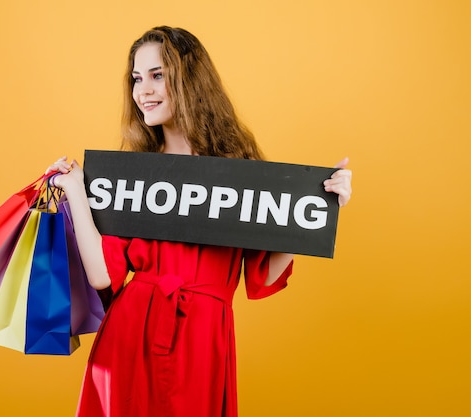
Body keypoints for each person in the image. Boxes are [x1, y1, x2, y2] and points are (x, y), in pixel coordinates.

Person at [47, 26, 352, 417]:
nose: (143, 90)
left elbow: (263, 276)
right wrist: (75, 189)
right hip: (131, 335)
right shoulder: (131, 172)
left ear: (189, 79)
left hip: (203, 341)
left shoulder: (243, 172)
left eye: (158, 75)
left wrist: (317, 210)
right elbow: (103, 275)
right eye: (137, 78)